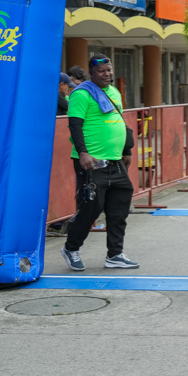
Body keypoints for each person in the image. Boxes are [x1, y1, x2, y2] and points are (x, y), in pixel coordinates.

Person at [62, 54, 138, 271]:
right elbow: (75, 125)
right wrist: (83, 152)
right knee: (90, 209)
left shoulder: (113, 92)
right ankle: (71, 248)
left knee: (119, 209)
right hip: (91, 163)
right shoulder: (82, 94)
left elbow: (120, 123)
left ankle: (115, 254)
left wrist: (127, 150)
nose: (108, 74)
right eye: (102, 71)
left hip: (115, 161)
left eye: (109, 70)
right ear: (92, 73)